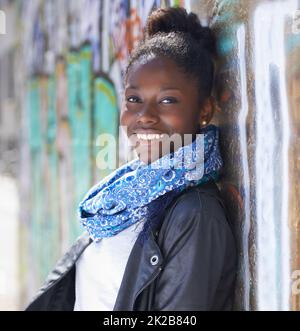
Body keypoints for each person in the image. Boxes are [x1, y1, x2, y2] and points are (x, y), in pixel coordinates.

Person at [25, 7, 237, 311]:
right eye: (134, 99)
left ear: (204, 110)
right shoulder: (128, 195)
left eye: (167, 100)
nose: (145, 117)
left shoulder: (195, 215)